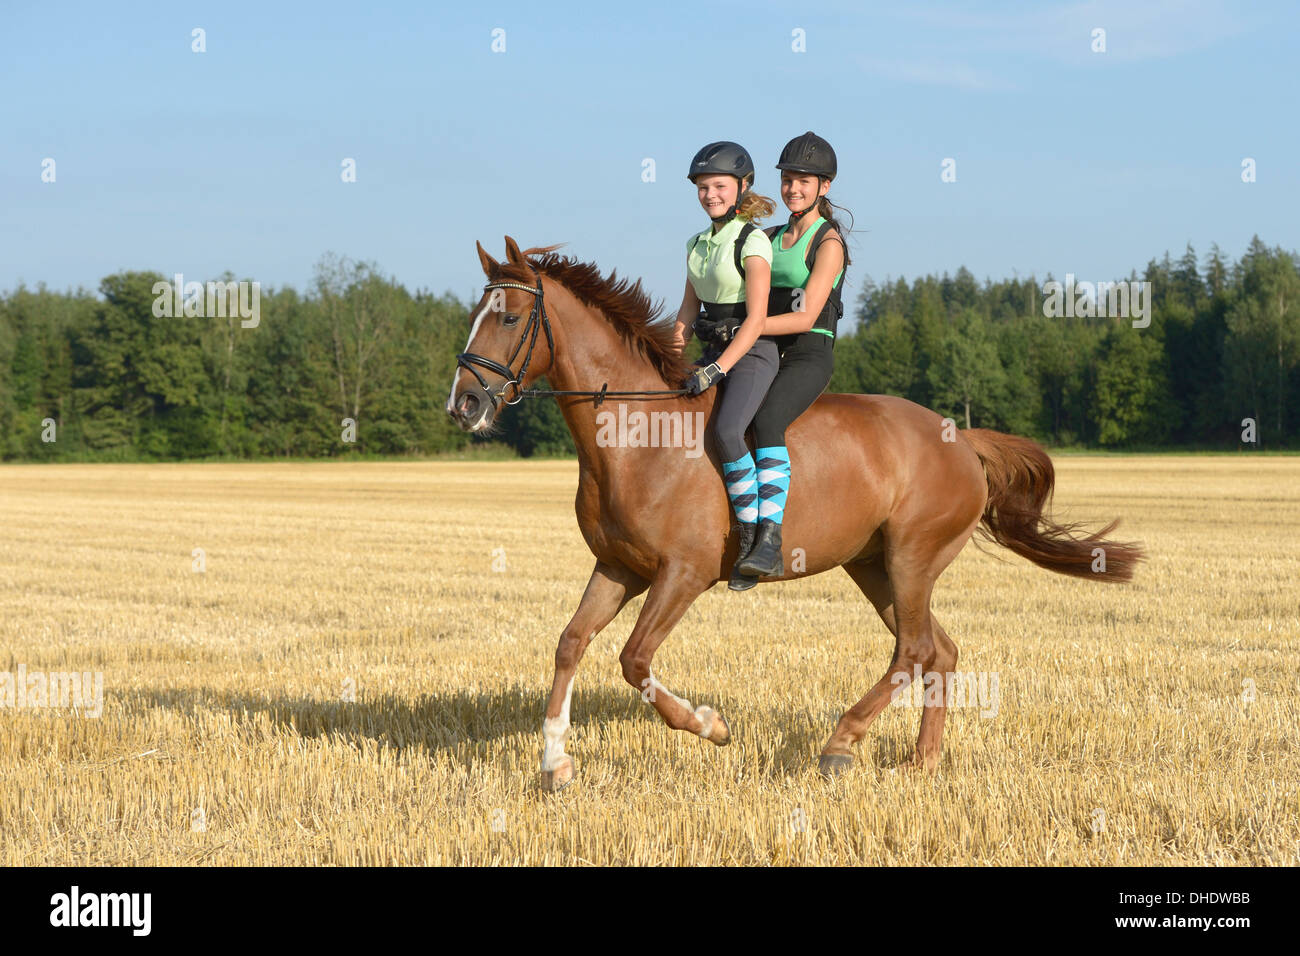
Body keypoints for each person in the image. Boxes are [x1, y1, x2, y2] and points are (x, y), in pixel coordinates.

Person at [735, 131, 850, 580]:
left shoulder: (828, 243)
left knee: (765, 420)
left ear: (825, 186)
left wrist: (748, 327)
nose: (793, 189)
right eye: (787, 180)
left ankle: (769, 541)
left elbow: (804, 319)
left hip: (807, 353)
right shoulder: (768, 235)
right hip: (762, 349)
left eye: (804, 181)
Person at [671, 141, 778, 591]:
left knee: (729, 430)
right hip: (710, 349)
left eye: (718, 185)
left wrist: (715, 372)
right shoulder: (696, 244)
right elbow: (686, 312)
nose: (709, 194)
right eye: (702, 186)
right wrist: (670, 359)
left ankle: (755, 542)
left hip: (752, 351)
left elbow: (756, 320)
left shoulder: (752, 240)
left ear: (742, 187)